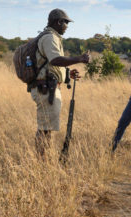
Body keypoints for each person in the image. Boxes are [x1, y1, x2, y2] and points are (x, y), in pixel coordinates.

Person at [30, 8, 90, 156]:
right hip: (46, 89)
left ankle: (43, 160)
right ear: (59, 22)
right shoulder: (50, 38)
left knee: (47, 127)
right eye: (66, 23)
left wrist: (67, 74)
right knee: (45, 128)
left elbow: (50, 65)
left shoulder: (50, 37)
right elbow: (55, 60)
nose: (67, 26)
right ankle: (41, 162)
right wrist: (80, 59)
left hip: (47, 86)